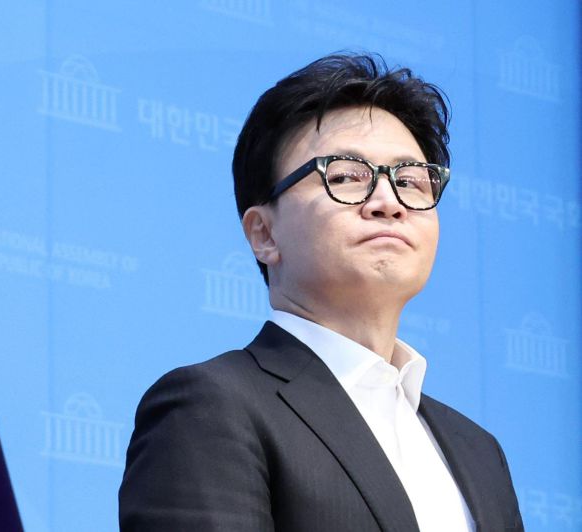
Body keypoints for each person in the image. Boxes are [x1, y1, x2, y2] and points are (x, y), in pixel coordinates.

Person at [119, 53, 524, 531]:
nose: (388, 202)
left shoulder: (479, 451)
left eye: (411, 181)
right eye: (346, 176)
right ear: (264, 234)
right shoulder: (211, 407)